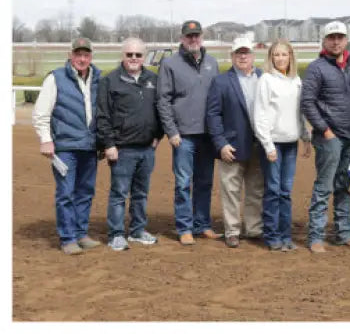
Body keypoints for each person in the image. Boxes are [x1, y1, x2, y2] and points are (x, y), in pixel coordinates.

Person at [301, 20, 350, 253]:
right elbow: (307, 103)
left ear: (346, 40)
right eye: (332, 38)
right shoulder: (316, 68)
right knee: (324, 187)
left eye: (340, 37)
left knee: (344, 186)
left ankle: (344, 233)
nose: (336, 42)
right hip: (329, 138)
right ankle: (316, 236)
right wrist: (325, 130)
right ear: (324, 41)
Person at [32, 37, 103, 255]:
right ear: (70, 55)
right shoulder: (56, 78)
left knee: (86, 192)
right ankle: (68, 238)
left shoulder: (98, 78)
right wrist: (46, 139)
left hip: (90, 146)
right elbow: (41, 113)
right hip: (65, 147)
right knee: (66, 193)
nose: (82, 59)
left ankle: (81, 233)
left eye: (86, 55)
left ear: (91, 56)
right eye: (78, 54)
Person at [156, 20, 220, 245]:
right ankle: (184, 227)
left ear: (201, 37)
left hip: (207, 135)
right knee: (183, 183)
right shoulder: (170, 64)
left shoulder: (212, 63)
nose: (193, 39)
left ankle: (202, 224)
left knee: (205, 182)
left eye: (196, 35)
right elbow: (163, 100)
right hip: (183, 136)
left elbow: (217, 99)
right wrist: (171, 131)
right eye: (189, 36)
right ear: (182, 38)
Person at [96, 37, 163, 251]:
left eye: (138, 55)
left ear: (144, 57)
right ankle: (116, 234)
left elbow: (161, 109)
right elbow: (103, 116)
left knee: (141, 193)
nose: (134, 58)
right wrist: (109, 144)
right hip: (122, 149)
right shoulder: (110, 81)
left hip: (147, 149)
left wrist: (158, 135)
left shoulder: (153, 79)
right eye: (129, 54)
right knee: (119, 194)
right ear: (122, 55)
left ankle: (137, 230)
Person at [206, 36, 265, 248]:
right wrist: (221, 143)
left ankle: (254, 228)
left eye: (246, 52)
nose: (243, 56)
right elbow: (213, 115)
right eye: (238, 53)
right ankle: (232, 230)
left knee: (256, 189)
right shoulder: (221, 81)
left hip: (258, 144)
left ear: (253, 55)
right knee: (230, 191)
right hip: (232, 146)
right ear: (232, 56)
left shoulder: (263, 78)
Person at [254, 39, 311, 251]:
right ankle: (272, 236)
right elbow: (260, 114)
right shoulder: (266, 80)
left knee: (286, 192)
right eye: (276, 55)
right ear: (271, 57)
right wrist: (267, 145)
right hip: (273, 144)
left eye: (284, 54)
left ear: (290, 57)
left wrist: (305, 137)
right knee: (273, 190)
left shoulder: (296, 80)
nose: (280, 58)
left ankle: (286, 236)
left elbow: (300, 112)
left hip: (291, 144)